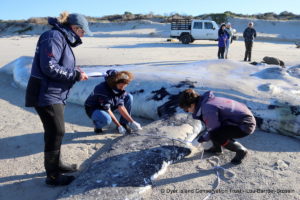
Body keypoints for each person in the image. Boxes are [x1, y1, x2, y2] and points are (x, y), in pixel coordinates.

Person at [25, 12, 91, 186]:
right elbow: (49, 67)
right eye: (83, 32)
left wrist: (74, 70)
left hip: (54, 92)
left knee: (56, 131)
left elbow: (57, 64)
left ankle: (58, 165)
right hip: (45, 92)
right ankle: (53, 175)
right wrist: (75, 75)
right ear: (75, 28)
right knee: (56, 131)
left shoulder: (60, 37)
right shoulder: (54, 36)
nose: (83, 36)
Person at [179, 89, 256, 165]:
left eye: (186, 109)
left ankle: (241, 150)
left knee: (215, 134)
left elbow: (213, 130)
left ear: (192, 104)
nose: (187, 111)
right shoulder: (206, 102)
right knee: (212, 127)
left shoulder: (207, 109)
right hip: (242, 119)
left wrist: (200, 140)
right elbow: (212, 125)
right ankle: (217, 149)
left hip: (245, 125)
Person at [84, 69, 142, 135]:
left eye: (124, 86)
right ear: (115, 83)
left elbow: (121, 106)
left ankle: (124, 123)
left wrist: (132, 122)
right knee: (107, 120)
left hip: (109, 104)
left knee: (128, 97)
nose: (122, 88)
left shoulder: (119, 89)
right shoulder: (102, 89)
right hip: (94, 108)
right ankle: (97, 125)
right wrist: (118, 125)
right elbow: (108, 110)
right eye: (121, 86)